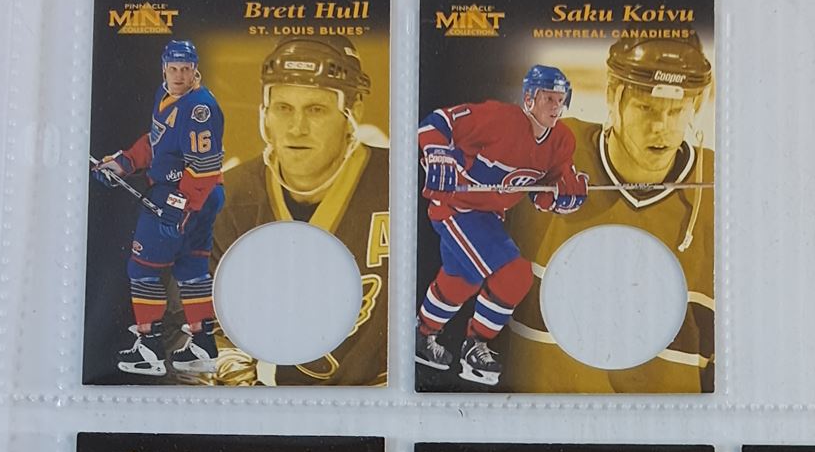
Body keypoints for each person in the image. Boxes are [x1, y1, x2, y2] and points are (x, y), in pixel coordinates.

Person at [503, 32, 716, 394]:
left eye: (676, 111)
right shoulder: (543, 156)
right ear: (613, 97)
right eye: (646, 108)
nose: (661, 126)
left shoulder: (721, 191)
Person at [204, 36, 390, 386]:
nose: (296, 128)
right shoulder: (227, 199)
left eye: (316, 109)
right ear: (265, 113)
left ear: (353, 112)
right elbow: (210, 331)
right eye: (283, 108)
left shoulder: (406, 185)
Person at [415, 65, 590, 386]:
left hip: (490, 216)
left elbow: (543, 194)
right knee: (514, 275)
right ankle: (475, 345)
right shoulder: (499, 119)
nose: (556, 106)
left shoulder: (562, 140)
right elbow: (436, 122)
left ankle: (422, 335)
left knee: (461, 281)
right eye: (548, 98)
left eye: (560, 99)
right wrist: (438, 152)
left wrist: (565, 196)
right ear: (529, 98)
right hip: (456, 207)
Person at [93, 37, 227, 379]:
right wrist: (123, 163)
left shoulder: (199, 108)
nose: (179, 75)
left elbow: (205, 164)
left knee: (143, 269)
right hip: (195, 196)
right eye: (174, 68)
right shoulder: (165, 95)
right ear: (164, 68)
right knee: (191, 269)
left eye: (186, 69)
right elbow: (156, 142)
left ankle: (149, 350)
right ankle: (202, 346)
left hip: (184, 195)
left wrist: (180, 205)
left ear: (195, 70)